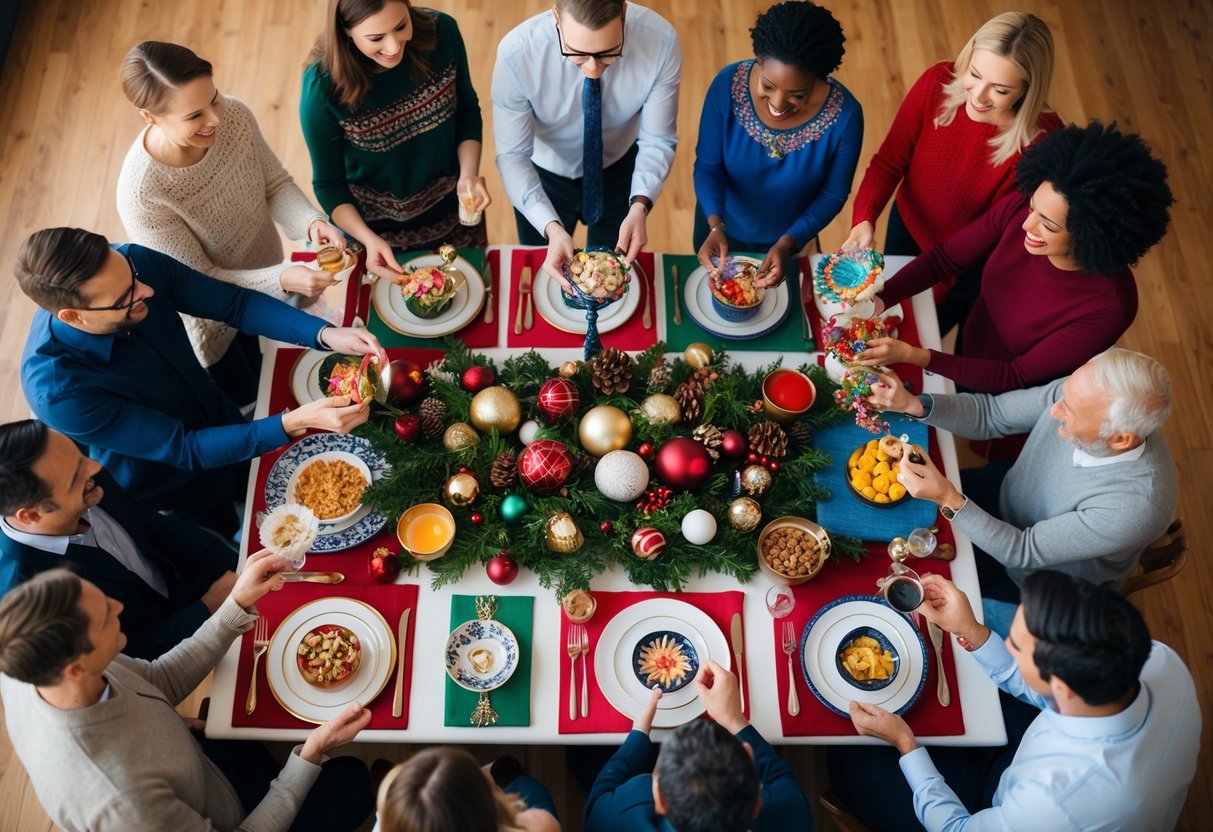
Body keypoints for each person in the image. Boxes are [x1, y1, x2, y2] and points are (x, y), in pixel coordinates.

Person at [17, 227, 387, 537]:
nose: (145, 290)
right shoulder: (60, 392)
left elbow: (235, 305)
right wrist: (293, 422)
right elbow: (185, 449)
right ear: (73, 316)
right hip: (170, 484)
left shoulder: (133, 265)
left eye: (132, 274)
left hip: (222, 417)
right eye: (125, 297)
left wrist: (325, 335)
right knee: (230, 539)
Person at [0, 558, 376, 832]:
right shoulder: (124, 804)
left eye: (102, 599)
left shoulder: (31, 661)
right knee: (354, 780)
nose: (117, 608)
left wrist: (235, 607)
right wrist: (309, 754)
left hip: (197, 766)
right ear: (75, 670)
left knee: (242, 720)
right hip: (229, 819)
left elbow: (157, 678)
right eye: (103, 617)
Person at [829, 570, 1201, 831]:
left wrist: (904, 743)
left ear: (1063, 686)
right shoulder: (1159, 659)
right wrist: (971, 631)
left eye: (1017, 644)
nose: (1006, 643)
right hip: (1028, 761)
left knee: (851, 760)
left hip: (1005, 811)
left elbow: (958, 828)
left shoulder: (1052, 805)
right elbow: (1044, 694)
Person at [857, 121, 1172, 394]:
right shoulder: (1024, 207)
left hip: (1013, 386)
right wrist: (882, 299)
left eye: (1048, 225)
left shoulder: (1109, 307)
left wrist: (916, 356)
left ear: (1092, 234)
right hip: (975, 337)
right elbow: (944, 259)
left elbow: (1014, 376)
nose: (1026, 224)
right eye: (1034, 207)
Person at [117, 41, 348, 406]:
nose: (215, 119)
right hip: (216, 324)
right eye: (194, 116)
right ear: (151, 118)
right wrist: (283, 278)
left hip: (272, 271)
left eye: (214, 98)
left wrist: (310, 222)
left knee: (304, 370)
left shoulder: (234, 116)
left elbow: (274, 185)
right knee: (259, 399)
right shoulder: (143, 194)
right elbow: (199, 281)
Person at [867, 347, 1176, 604]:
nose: (1054, 411)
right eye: (1063, 397)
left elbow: (1023, 551)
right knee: (881, 524)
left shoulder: (1135, 508)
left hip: (1035, 583)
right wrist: (915, 405)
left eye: (1071, 413)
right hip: (1005, 494)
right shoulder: (1087, 393)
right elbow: (993, 414)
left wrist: (948, 498)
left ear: (1121, 440)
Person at [843, 12, 1061, 335]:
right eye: (974, 73)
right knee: (885, 318)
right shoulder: (936, 83)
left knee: (920, 333)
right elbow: (889, 162)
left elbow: (996, 231)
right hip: (907, 224)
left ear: (1027, 92)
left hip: (968, 263)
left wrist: (937, 287)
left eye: (1000, 90)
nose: (978, 95)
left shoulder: (1043, 143)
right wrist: (865, 218)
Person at [0, 420, 239, 660]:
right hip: (179, 657)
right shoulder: (30, 598)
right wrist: (208, 608)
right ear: (31, 514)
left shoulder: (86, 477)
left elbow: (158, 529)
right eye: (74, 477)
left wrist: (240, 564)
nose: (94, 466)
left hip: (197, 587)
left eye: (80, 456)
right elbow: (124, 655)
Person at [493, 0, 680, 287]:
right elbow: (512, 156)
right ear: (556, 16)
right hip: (543, 177)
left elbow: (658, 139)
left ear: (624, 13)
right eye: (577, 54)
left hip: (620, 171)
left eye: (608, 53)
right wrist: (552, 229)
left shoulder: (661, 42)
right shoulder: (517, 55)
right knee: (545, 281)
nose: (593, 68)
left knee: (608, 279)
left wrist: (640, 204)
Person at [301, 0, 490, 281]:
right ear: (345, 31)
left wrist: (469, 174)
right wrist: (368, 240)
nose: (393, 47)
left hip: (453, 206)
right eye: (376, 38)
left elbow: (466, 111)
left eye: (401, 26)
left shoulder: (444, 32)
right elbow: (329, 185)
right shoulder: (322, 90)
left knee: (472, 291)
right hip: (374, 229)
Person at [694, 0, 862, 288]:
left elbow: (833, 195)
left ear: (821, 78)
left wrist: (788, 242)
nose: (777, 103)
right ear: (758, 60)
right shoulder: (726, 86)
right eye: (768, 86)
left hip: (792, 242)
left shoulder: (846, 118)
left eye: (797, 94)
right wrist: (715, 224)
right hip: (717, 228)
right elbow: (708, 168)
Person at [584, 660, 811, 832]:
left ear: (659, 798)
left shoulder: (617, 815)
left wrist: (639, 733)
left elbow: (600, 795)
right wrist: (734, 719)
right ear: (756, 805)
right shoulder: (790, 816)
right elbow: (781, 777)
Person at [375, 748, 560, 832]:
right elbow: (545, 822)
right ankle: (511, 776)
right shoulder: (539, 826)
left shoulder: (388, 820)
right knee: (534, 792)